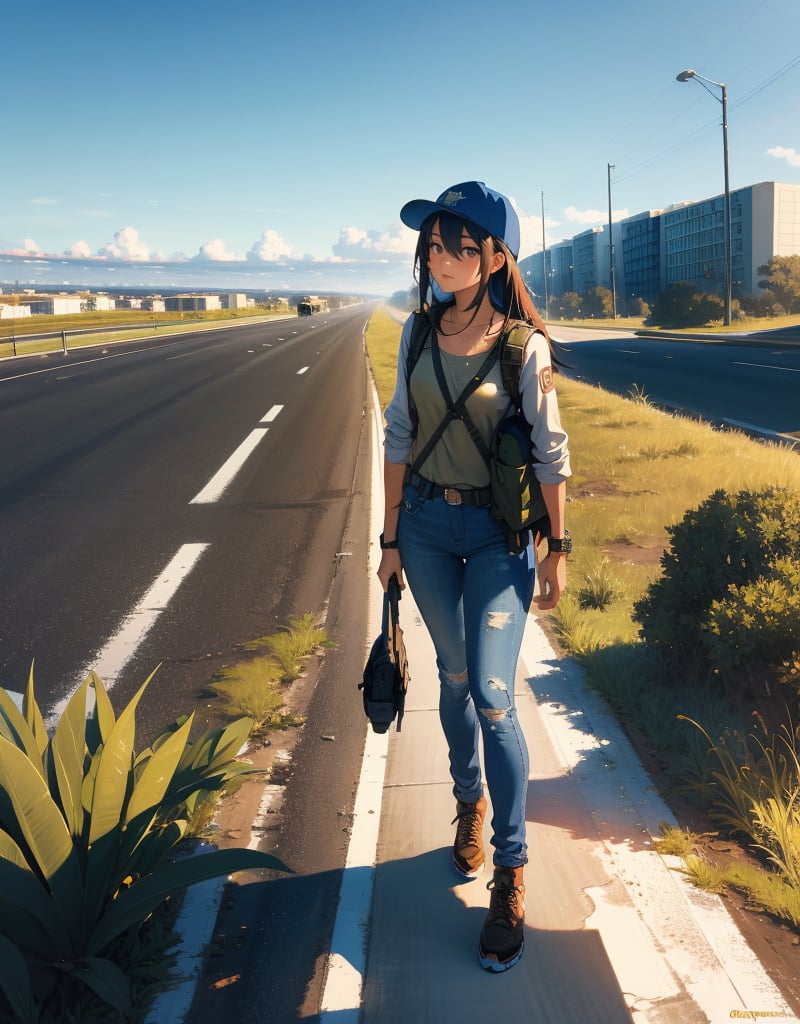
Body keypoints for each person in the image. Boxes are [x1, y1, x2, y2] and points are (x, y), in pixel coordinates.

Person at [377, 181, 571, 972]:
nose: (444, 256)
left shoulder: (525, 346)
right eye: (434, 243)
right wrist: (389, 539)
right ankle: (469, 804)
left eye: (462, 244)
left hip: (497, 536)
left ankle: (511, 868)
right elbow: (397, 430)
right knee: (452, 681)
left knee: (494, 696)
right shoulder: (418, 334)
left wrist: (558, 549)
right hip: (423, 528)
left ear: (496, 257)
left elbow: (553, 454)